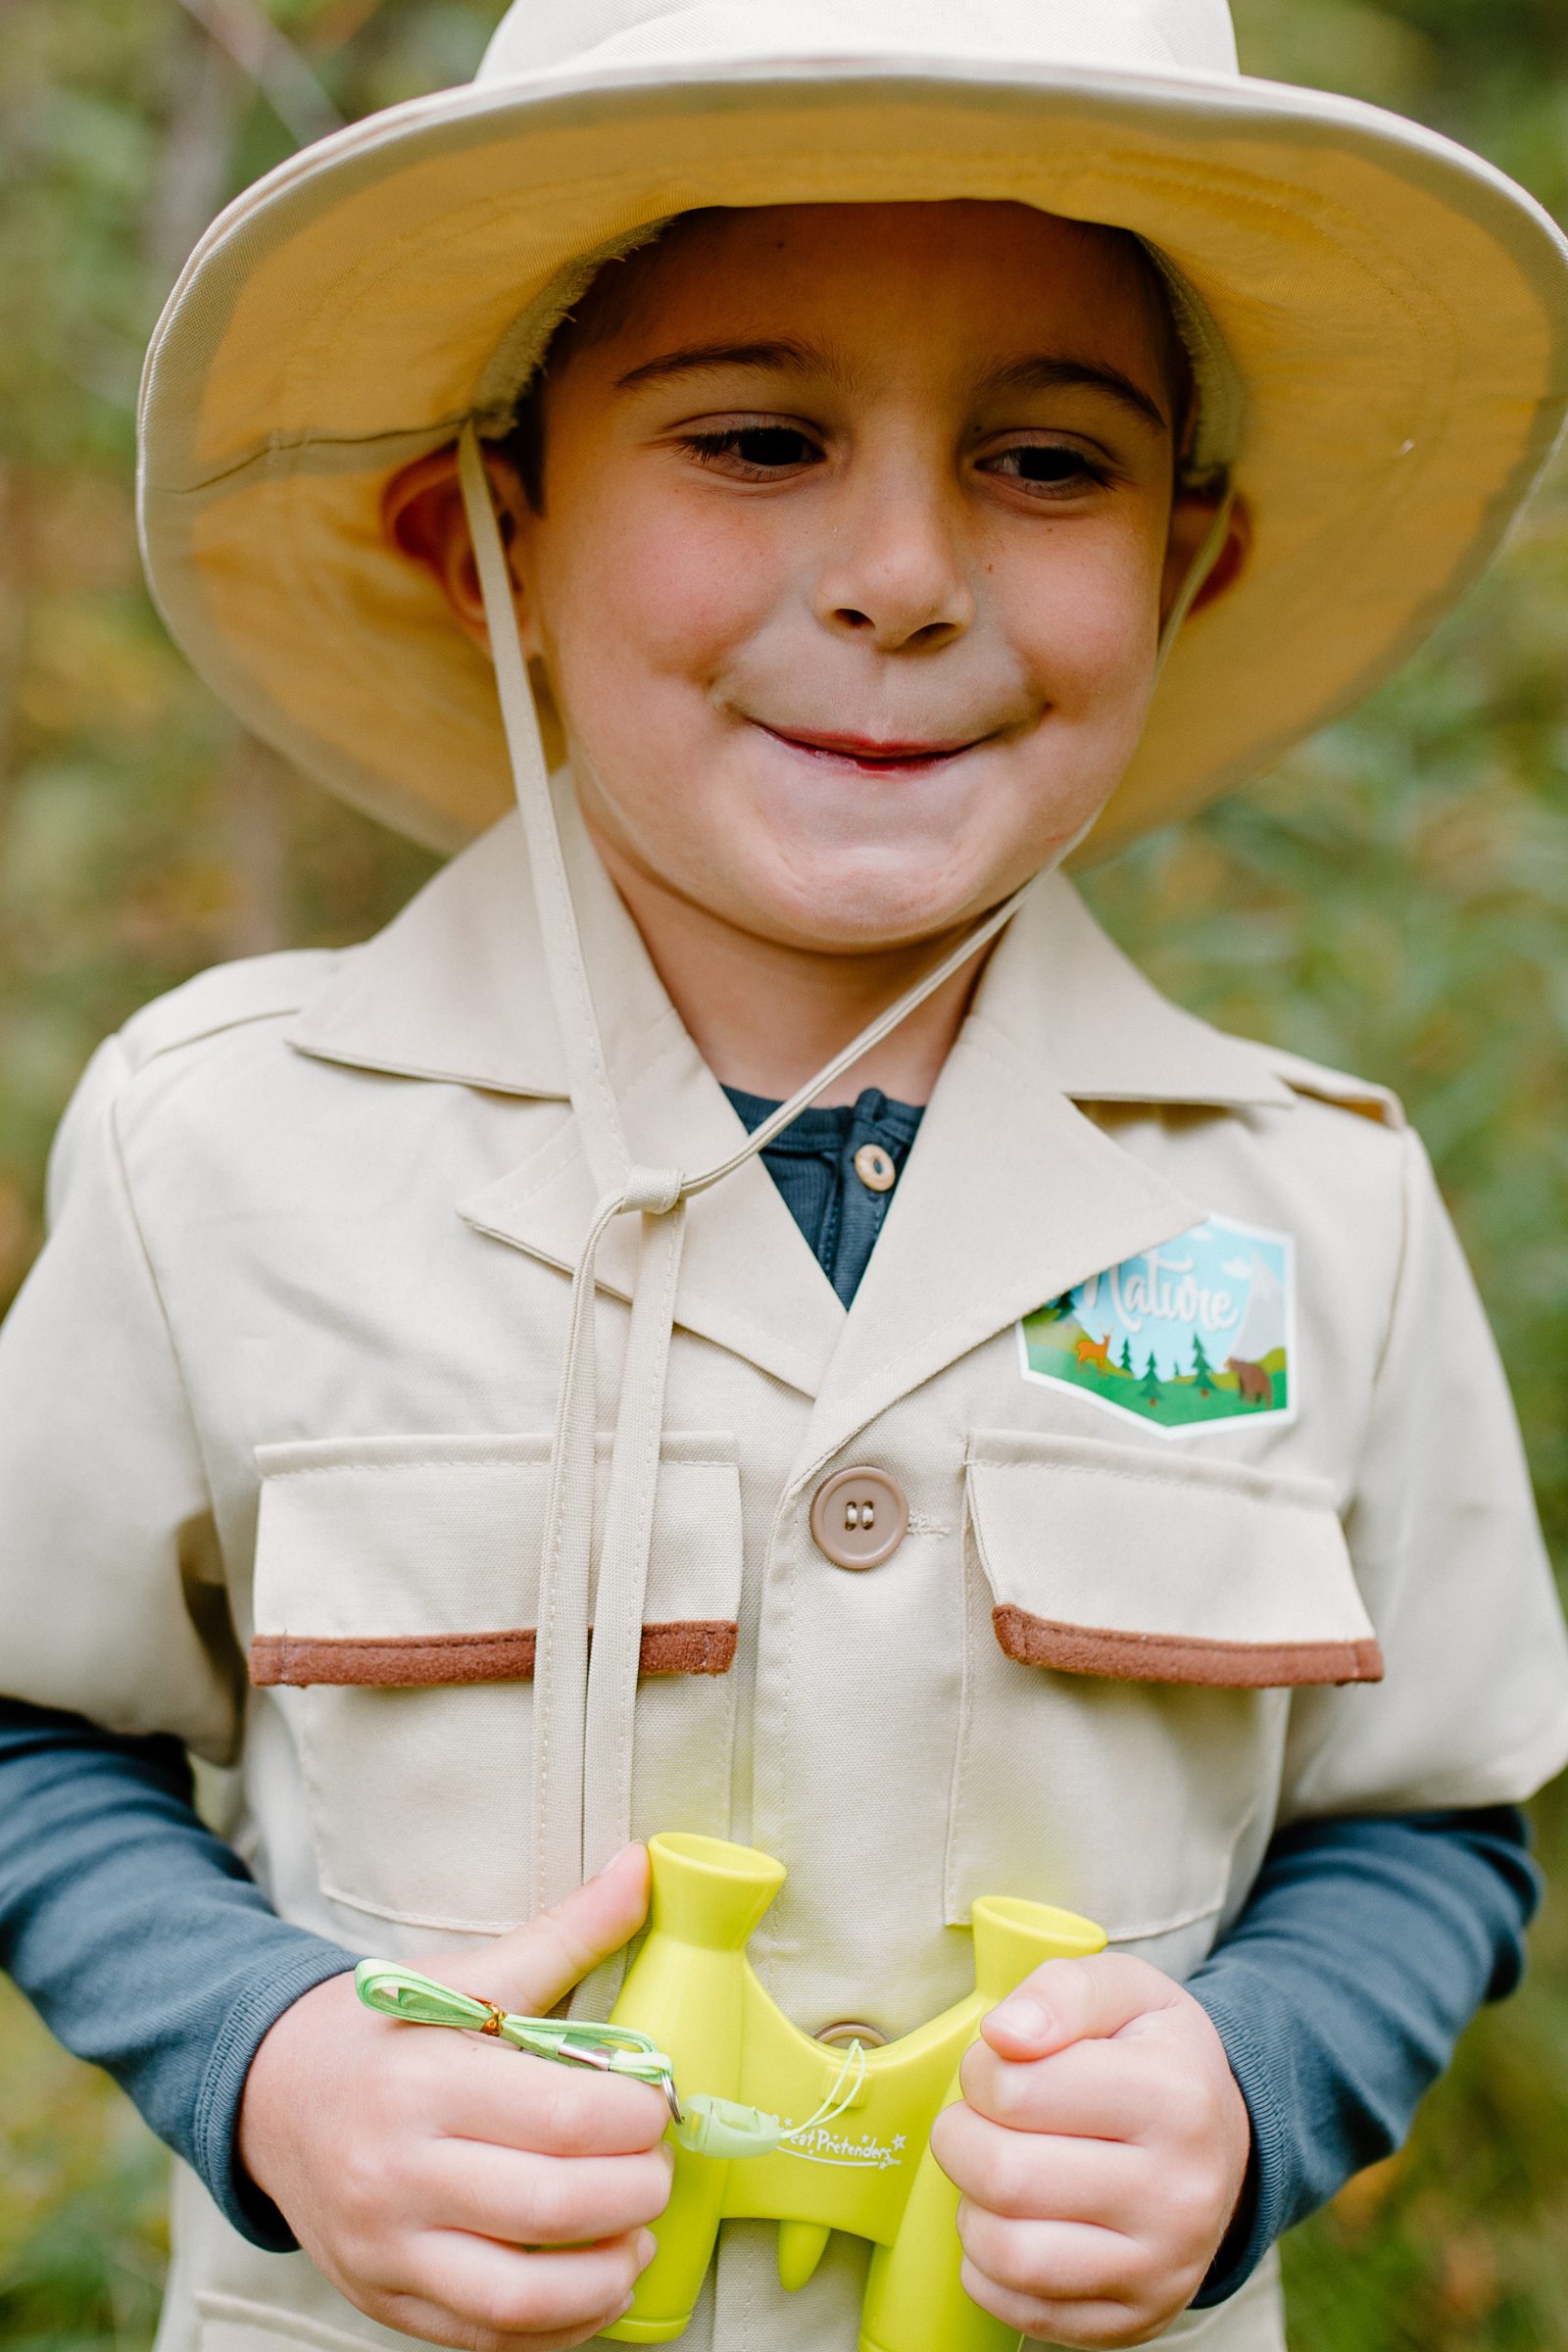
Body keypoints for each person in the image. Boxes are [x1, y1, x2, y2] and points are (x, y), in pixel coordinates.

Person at [3, 4, 1568, 2350]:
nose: (906, 573)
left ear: (1189, 565)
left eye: (1047, 463)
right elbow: (38, 1726)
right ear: (486, 537)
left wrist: (1250, 2089)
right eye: (753, 438)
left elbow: (1423, 1819)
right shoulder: (219, 1141)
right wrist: (282, 2072)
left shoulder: (1301, 1207)